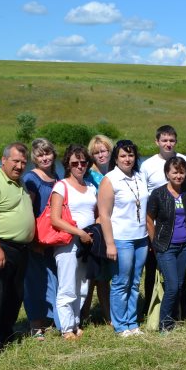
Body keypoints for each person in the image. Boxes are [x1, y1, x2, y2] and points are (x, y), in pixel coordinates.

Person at [0, 142, 35, 352]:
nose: (19, 166)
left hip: (20, 249)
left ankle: (5, 333)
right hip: (1, 246)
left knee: (14, 294)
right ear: (4, 160)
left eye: (23, 162)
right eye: (15, 161)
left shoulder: (20, 183)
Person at [98, 140, 150, 337]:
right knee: (121, 282)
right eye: (123, 155)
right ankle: (120, 326)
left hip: (141, 237)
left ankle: (132, 322)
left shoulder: (139, 176)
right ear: (116, 158)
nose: (127, 159)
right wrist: (110, 243)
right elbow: (104, 214)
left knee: (135, 282)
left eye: (130, 155)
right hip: (121, 238)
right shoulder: (110, 180)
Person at [140, 125, 186, 319]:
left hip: (179, 230)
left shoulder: (185, 161)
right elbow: (144, 198)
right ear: (157, 142)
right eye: (164, 140)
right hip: (158, 230)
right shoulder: (147, 165)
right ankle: (150, 310)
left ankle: (180, 311)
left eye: (171, 140)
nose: (168, 144)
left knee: (178, 278)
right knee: (152, 272)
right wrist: (152, 238)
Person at [50, 144, 97, 340]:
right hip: (68, 241)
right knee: (68, 285)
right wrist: (79, 232)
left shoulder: (91, 186)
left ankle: (76, 323)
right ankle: (66, 328)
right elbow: (55, 218)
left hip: (87, 241)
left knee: (83, 285)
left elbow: (95, 213)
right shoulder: (61, 186)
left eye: (83, 162)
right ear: (68, 164)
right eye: (75, 163)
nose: (79, 166)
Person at [146, 156, 186, 332]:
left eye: (182, 172)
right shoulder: (158, 194)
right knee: (172, 285)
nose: (178, 176)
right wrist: (155, 243)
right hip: (166, 247)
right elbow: (149, 220)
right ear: (167, 173)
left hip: (185, 247)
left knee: (180, 285)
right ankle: (164, 325)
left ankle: (175, 317)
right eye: (175, 172)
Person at [22, 138, 61, 340]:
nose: (45, 157)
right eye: (40, 155)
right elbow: (28, 211)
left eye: (47, 153)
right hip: (37, 240)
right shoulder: (31, 178)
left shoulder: (55, 176)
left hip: (53, 240)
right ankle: (36, 325)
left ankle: (52, 320)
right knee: (35, 283)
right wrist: (32, 241)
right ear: (34, 158)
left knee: (53, 280)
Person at [82, 134, 113, 323]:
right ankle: (84, 314)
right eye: (96, 152)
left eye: (104, 151)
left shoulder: (116, 171)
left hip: (115, 227)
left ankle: (108, 314)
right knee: (92, 276)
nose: (101, 155)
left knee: (106, 275)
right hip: (95, 229)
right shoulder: (88, 175)